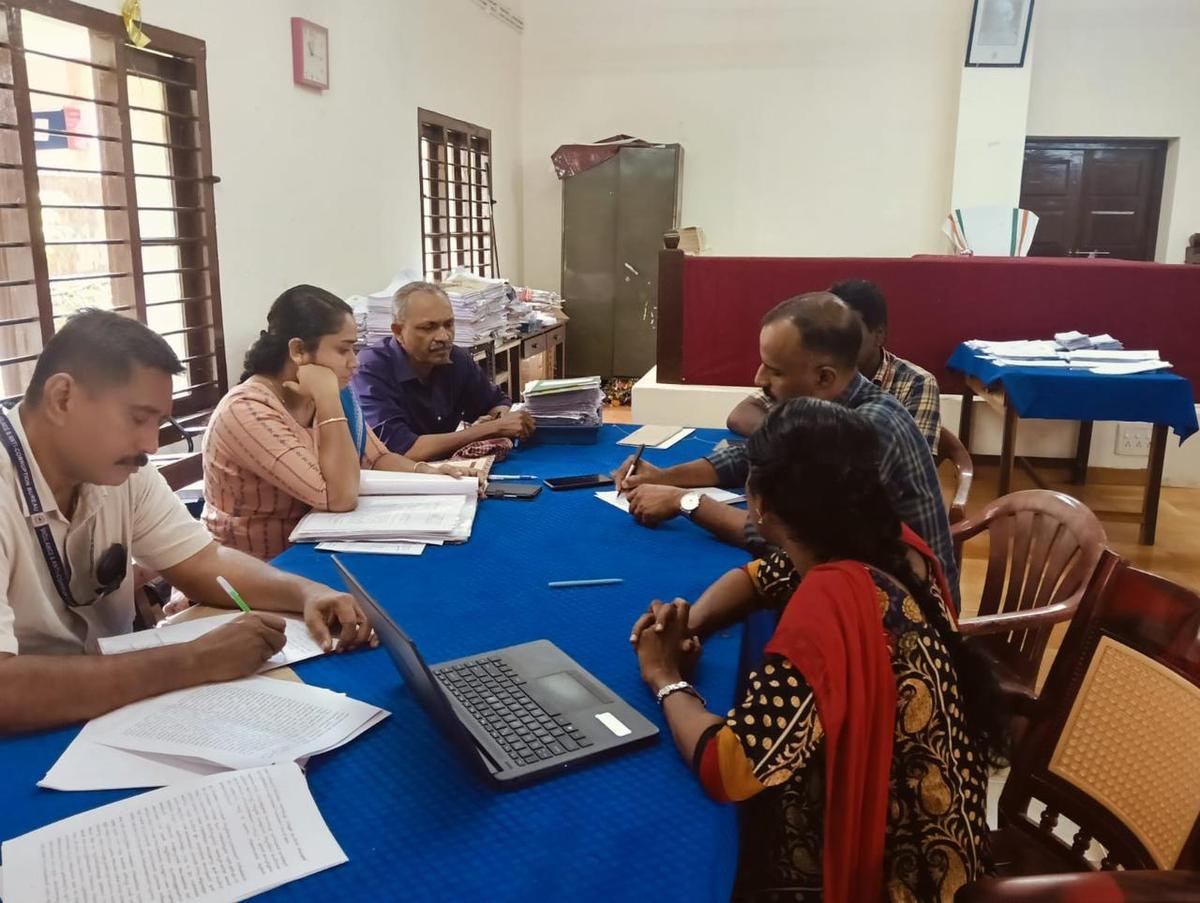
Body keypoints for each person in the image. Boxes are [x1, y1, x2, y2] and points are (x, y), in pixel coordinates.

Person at [630, 398, 1002, 901]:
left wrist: (664, 674)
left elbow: (730, 768)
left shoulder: (829, 605)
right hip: (944, 837)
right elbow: (759, 576)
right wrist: (690, 621)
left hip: (896, 876)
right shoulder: (876, 541)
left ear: (758, 501)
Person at [0, 310, 375, 734]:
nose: (149, 444)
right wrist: (194, 660)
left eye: (159, 423)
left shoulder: (121, 470)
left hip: (115, 705)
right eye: (137, 418)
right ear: (62, 398)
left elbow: (201, 562)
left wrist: (305, 591)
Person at [615, 292, 960, 607]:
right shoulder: (817, 407)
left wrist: (683, 501)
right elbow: (752, 454)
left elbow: (790, 536)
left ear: (824, 378)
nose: (758, 378)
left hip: (911, 620)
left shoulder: (867, 430)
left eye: (775, 370)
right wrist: (665, 476)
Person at [203, 285, 469, 560]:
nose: (354, 363)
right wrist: (328, 399)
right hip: (256, 572)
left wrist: (427, 472)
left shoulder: (329, 392)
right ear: (298, 350)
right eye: (344, 351)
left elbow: (376, 459)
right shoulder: (247, 411)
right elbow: (338, 498)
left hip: (319, 550)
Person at [727, 279, 942, 449]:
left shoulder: (914, 384)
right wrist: (788, 439)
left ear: (878, 335)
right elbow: (742, 415)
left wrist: (797, 443)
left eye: (849, 331)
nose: (830, 340)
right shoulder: (808, 375)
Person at [352, 281, 535, 460]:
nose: (443, 337)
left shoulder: (455, 357)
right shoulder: (370, 369)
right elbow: (403, 450)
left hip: (443, 472)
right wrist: (491, 429)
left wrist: (498, 418)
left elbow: (496, 401)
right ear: (398, 331)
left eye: (448, 325)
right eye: (428, 327)